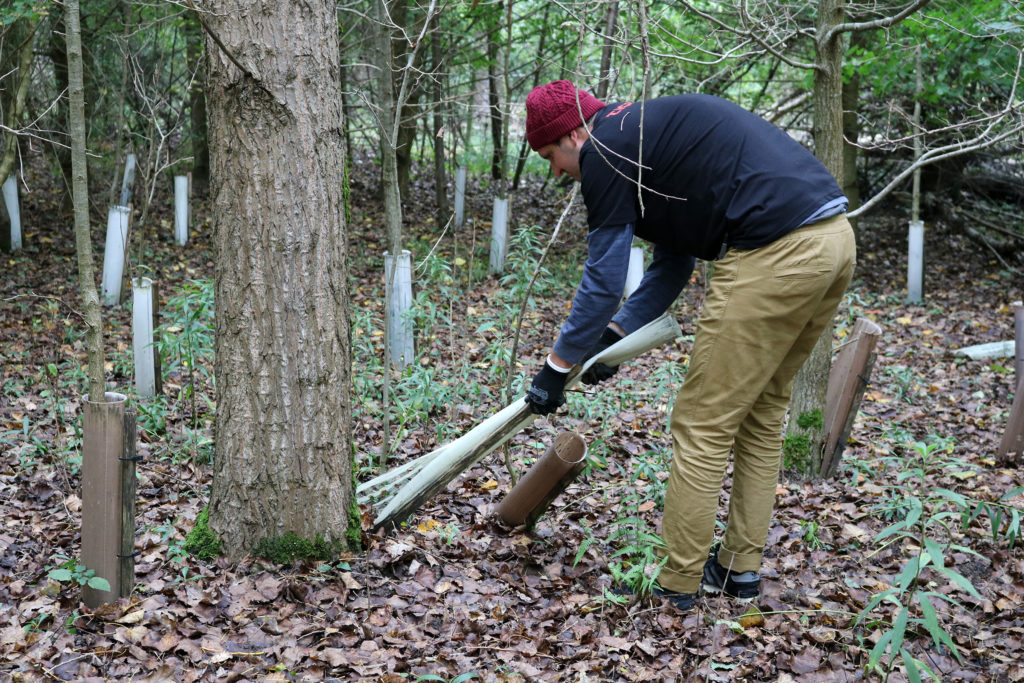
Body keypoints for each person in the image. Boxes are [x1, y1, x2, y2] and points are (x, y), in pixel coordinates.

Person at [522, 80, 856, 612]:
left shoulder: (604, 151)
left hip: (775, 250)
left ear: (572, 135)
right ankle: (738, 570)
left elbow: (603, 280)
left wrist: (555, 367)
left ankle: (677, 584)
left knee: (702, 424)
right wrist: (615, 337)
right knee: (762, 412)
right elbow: (673, 263)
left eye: (550, 157)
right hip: (834, 240)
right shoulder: (639, 137)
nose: (557, 172)